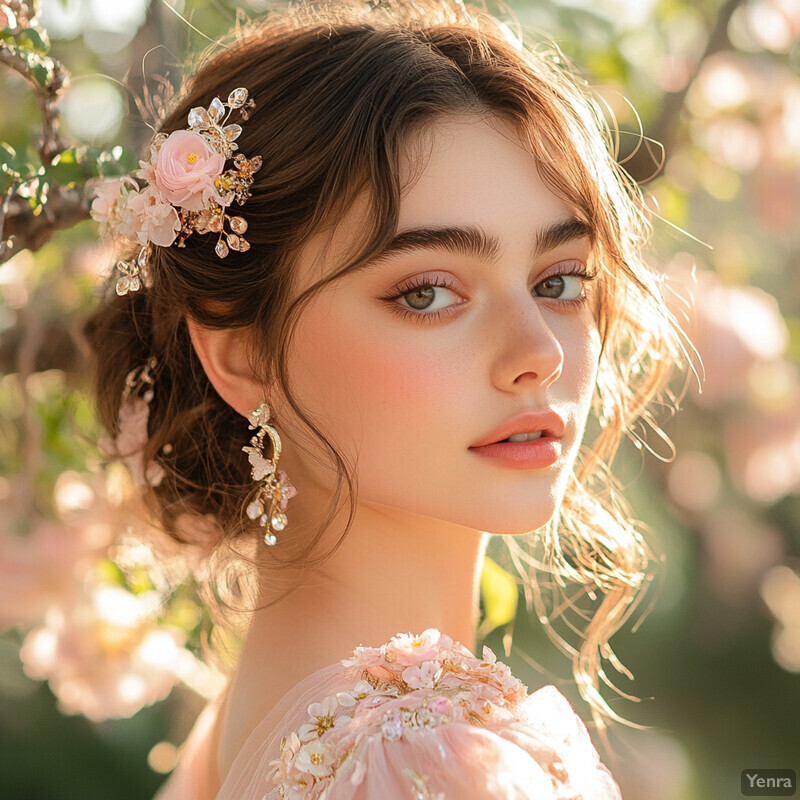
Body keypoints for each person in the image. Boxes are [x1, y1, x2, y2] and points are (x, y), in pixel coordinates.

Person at [84, 0, 690, 797]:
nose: (538, 353)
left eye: (560, 281)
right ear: (241, 354)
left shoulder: (239, 734)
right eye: (428, 294)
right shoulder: (427, 762)